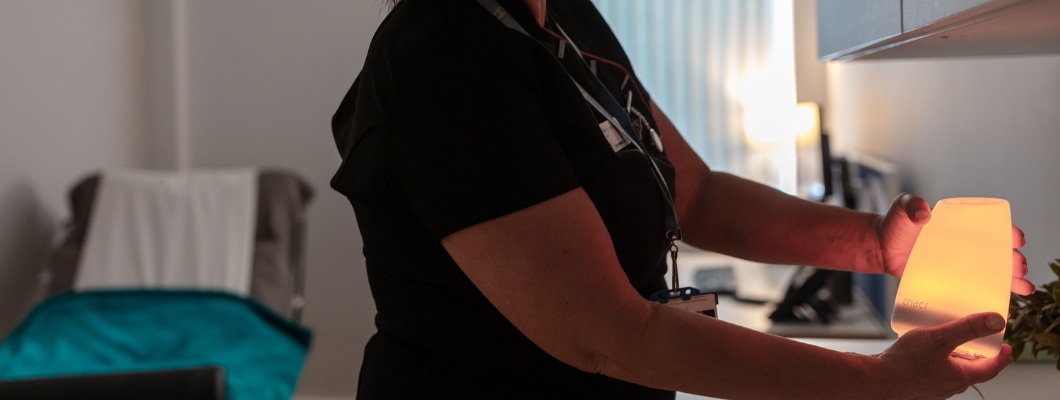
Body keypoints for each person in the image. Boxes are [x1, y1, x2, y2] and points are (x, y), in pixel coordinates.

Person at [329, 0, 1034, 398]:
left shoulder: (567, 18)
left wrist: (877, 246)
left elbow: (698, 197)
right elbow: (607, 333)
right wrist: (876, 385)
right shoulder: (442, 54)